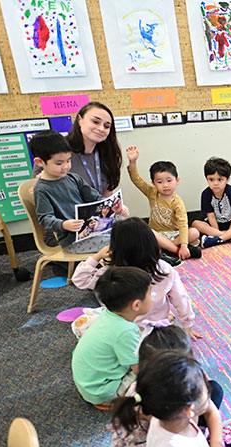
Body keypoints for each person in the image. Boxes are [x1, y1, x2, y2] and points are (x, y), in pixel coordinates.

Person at [109, 326, 231, 447]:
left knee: (214, 389)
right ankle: (206, 436)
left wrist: (216, 445)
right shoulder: (169, 416)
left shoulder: (155, 387)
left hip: (166, 440)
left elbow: (210, 410)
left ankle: (208, 436)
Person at [71, 217, 201, 340]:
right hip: (156, 326)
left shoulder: (113, 273)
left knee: (80, 324)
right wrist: (187, 326)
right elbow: (181, 298)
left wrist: (97, 256)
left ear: (116, 248)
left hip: (122, 330)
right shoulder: (164, 269)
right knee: (167, 319)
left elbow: (79, 279)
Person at [31, 131, 123, 254]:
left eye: (68, 161)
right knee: (120, 241)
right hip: (72, 240)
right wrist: (64, 224)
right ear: (40, 162)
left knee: (129, 227)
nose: (65, 167)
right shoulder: (42, 189)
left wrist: (113, 206)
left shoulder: (73, 178)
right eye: (59, 163)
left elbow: (95, 198)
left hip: (93, 229)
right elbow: (45, 219)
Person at [71, 267, 152, 407]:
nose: (153, 297)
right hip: (104, 391)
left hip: (89, 383)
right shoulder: (125, 331)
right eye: (150, 293)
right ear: (136, 305)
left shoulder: (108, 315)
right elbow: (139, 369)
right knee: (157, 376)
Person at [126, 145, 201, 264]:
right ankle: (174, 251)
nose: (165, 185)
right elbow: (137, 180)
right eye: (160, 182)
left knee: (194, 232)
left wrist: (184, 245)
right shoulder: (152, 193)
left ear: (177, 181)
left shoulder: (177, 202)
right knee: (146, 231)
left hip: (174, 235)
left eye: (169, 181)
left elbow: (182, 224)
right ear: (153, 183)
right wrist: (133, 162)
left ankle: (165, 250)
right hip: (157, 234)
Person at [192, 157, 231, 248]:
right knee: (195, 224)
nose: (215, 183)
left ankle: (218, 239)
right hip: (215, 226)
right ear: (206, 179)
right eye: (211, 179)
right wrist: (217, 230)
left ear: (227, 179)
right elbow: (211, 215)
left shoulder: (230, 191)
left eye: (220, 179)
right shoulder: (206, 194)